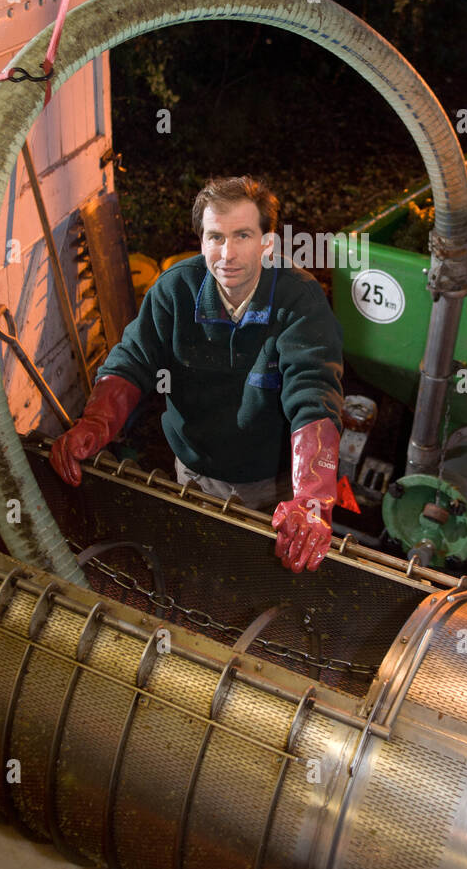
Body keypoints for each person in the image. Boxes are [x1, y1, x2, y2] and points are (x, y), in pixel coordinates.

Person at [49, 176, 344, 573]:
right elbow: (132, 360)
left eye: (242, 236)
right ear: (202, 242)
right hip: (194, 475)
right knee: (199, 569)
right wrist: (96, 422)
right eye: (215, 237)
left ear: (267, 243)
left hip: (273, 486)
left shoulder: (299, 299)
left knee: (263, 577)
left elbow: (313, 391)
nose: (228, 254)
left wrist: (312, 498)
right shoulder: (175, 291)